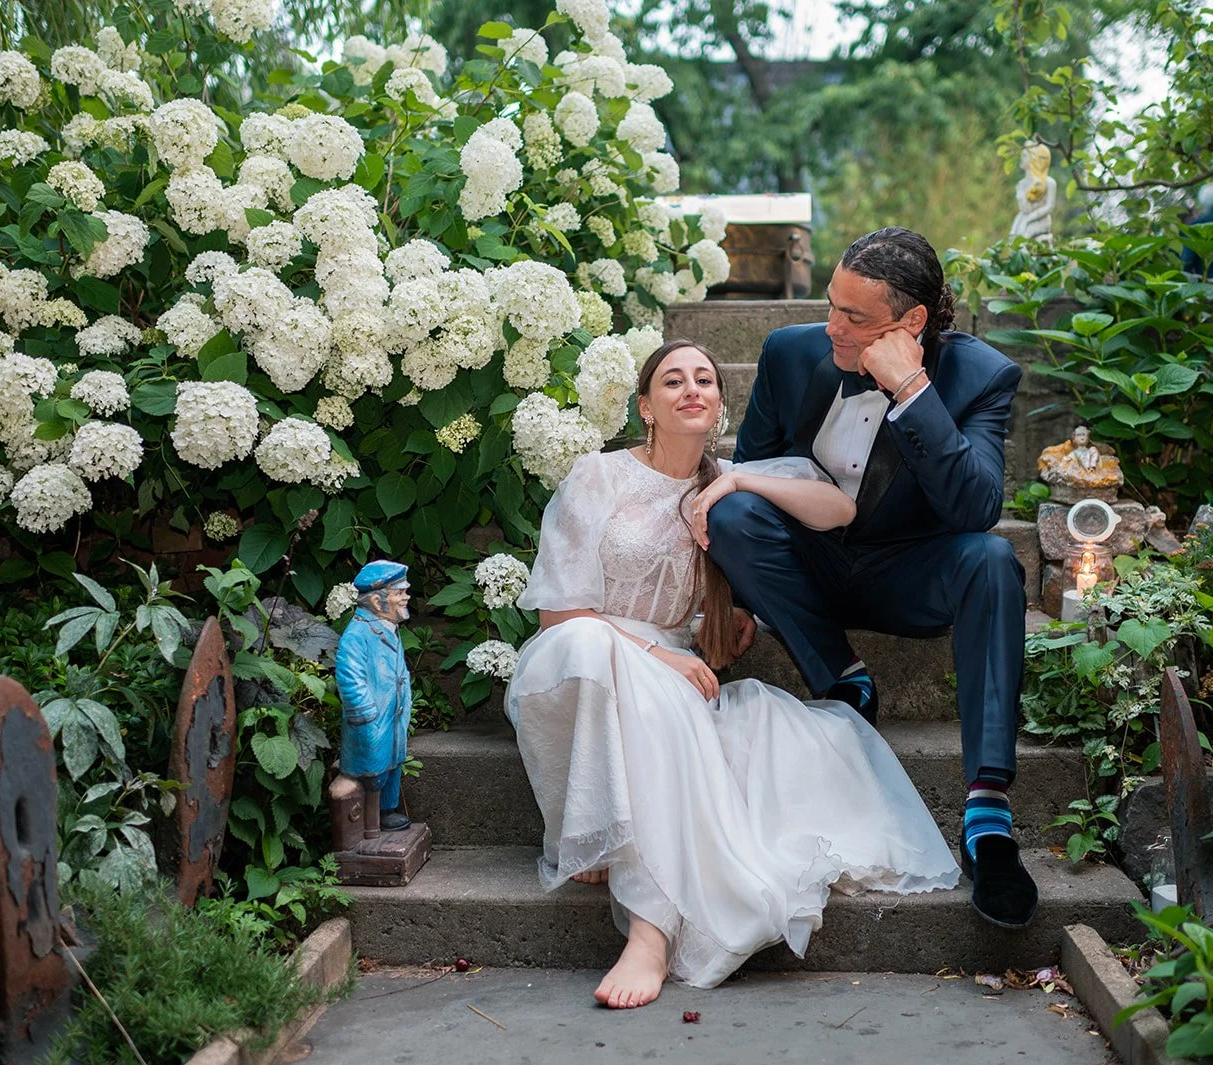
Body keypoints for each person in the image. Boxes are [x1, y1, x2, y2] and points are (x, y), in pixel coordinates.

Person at [507, 340, 959, 1009]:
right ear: (645, 405)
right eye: (672, 380)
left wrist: (741, 480)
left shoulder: (720, 483)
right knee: (603, 658)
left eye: (706, 380)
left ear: (720, 403)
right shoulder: (597, 477)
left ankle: (649, 925)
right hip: (584, 653)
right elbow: (558, 618)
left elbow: (839, 509)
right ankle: (623, 874)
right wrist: (655, 654)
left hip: (667, 677)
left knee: (702, 713)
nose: (692, 388)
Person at [704, 227, 1038, 931]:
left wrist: (912, 390)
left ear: (911, 322)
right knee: (732, 513)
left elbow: (977, 509)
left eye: (854, 317)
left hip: (907, 573)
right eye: (831, 305)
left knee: (994, 560)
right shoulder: (790, 353)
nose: (833, 325)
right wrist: (731, 596)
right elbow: (751, 474)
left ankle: (987, 812)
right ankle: (842, 675)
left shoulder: (980, 375)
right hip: (810, 565)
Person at [335, 560, 415, 837]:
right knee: (372, 771)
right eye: (400, 592)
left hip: (392, 714)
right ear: (378, 601)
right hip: (372, 718)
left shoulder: (389, 628)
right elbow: (350, 678)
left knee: (392, 763)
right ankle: (369, 825)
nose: (406, 597)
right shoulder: (357, 635)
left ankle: (387, 811)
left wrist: (407, 701)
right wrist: (365, 713)